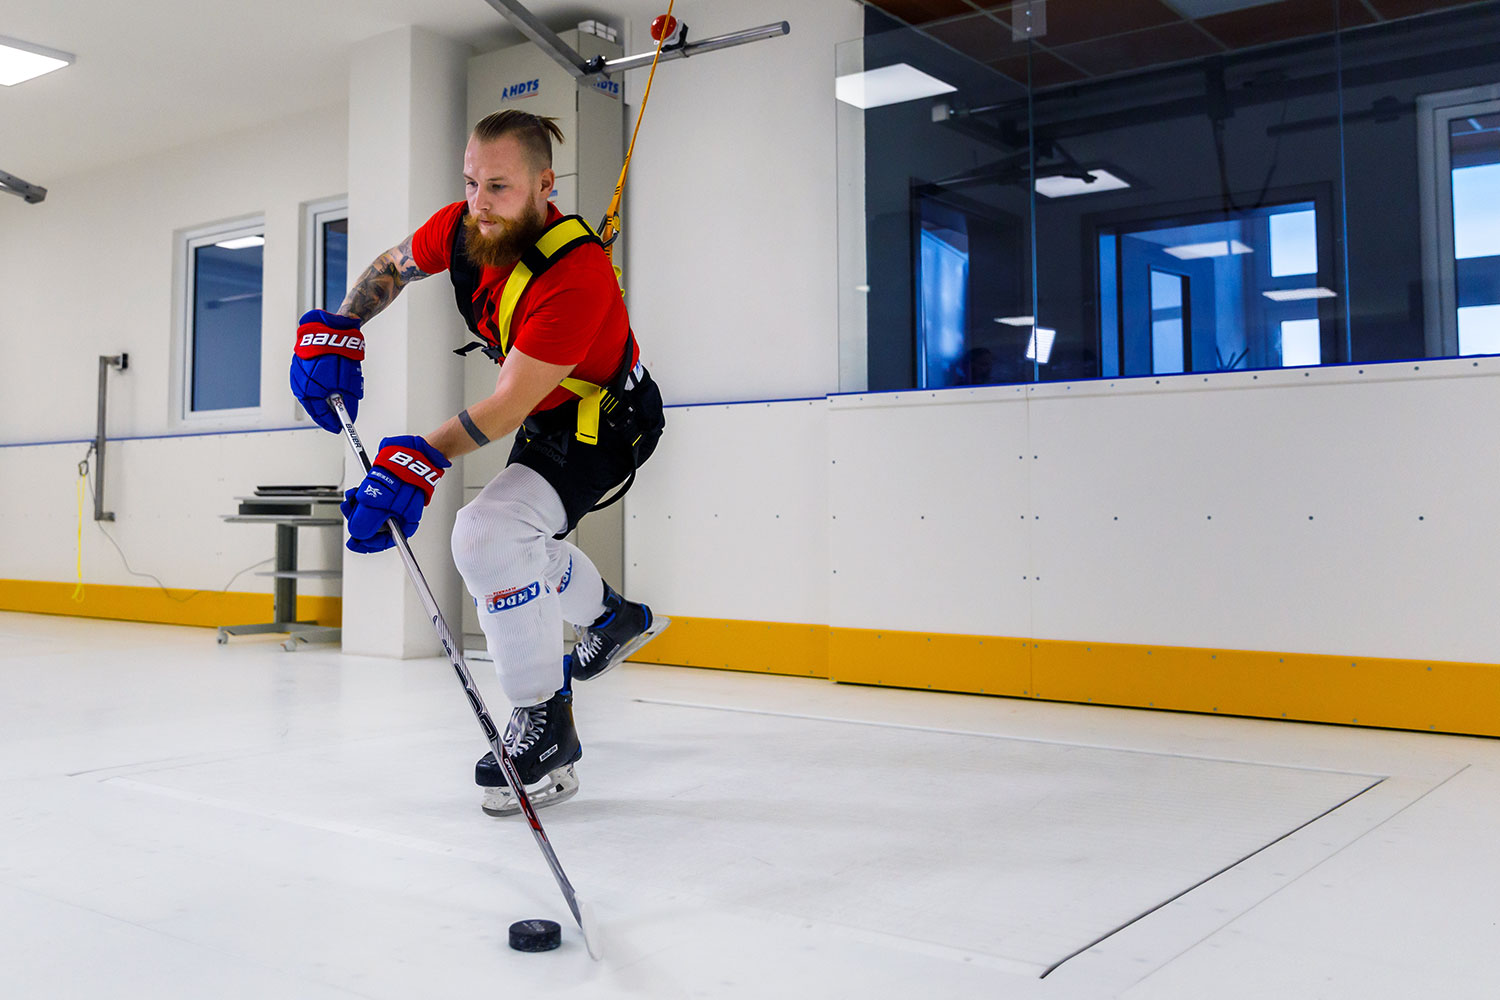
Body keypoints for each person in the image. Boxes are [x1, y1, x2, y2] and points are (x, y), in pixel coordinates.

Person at [289, 109, 669, 816]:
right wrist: (339, 327)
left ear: (544, 183)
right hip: (549, 411)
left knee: (485, 535)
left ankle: (546, 727)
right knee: (517, 542)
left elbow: (504, 408)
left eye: (498, 185)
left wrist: (418, 460)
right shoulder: (465, 227)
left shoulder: (575, 276)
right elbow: (392, 266)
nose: (479, 202)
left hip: (605, 422)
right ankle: (614, 619)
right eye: (470, 183)